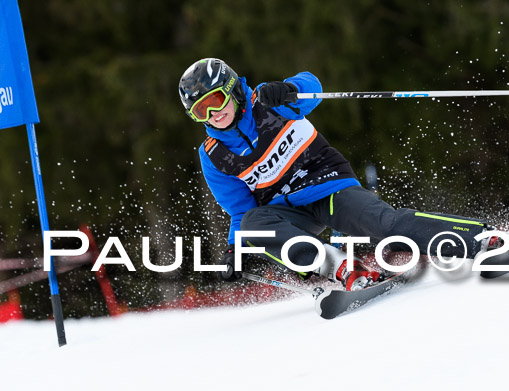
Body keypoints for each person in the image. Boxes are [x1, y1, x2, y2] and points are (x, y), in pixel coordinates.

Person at [179, 58, 489, 290]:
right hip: (288, 212)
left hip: (326, 185)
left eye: (215, 101)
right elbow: (240, 212)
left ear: (232, 89)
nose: (213, 114)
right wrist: (236, 248)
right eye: (200, 111)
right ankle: (342, 268)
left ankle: (484, 240)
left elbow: (312, 85)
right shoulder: (213, 156)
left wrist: (290, 90)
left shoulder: (268, 102)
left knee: (384, 225)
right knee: (251, 227)